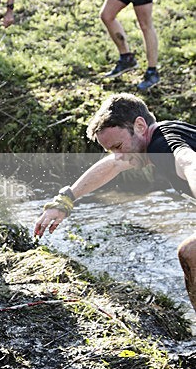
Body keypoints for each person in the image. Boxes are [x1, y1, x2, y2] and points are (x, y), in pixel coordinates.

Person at [34, 93, 196, 314]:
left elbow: (189, 162)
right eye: (111, 150)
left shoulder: (161, 146)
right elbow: (113, 165)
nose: (118, 156)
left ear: (140, 126)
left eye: (119, 146)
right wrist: (66, 199)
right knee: (190, 254)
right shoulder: (161, 136)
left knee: (190, 252)